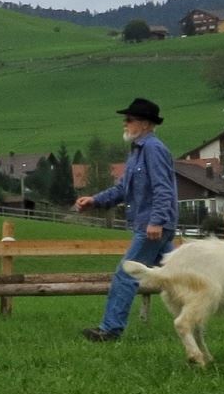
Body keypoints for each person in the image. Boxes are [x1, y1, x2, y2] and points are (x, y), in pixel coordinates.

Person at [74, 96, 175, 343]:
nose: (124, 123)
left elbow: (163, 189)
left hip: (152, 226)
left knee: (126, 273)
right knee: (177, 277)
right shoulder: (137, 152)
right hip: (151, 225)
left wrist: (156, 221)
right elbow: (122, 189)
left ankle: (110, 330)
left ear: (145, 124)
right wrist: (95, 200)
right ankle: (196, 318)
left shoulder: (153, 149)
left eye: (129, 119)